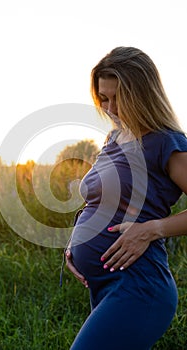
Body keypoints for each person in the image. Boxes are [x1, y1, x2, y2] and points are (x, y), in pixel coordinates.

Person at [65, 46, 187, 350]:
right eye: (103, 98)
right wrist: (76, 239)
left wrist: (151, 230)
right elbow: (100, 201)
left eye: (118, 98)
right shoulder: (115, 138)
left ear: (142, 94)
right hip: (106, 285)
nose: (110, 108)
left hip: (140, 286)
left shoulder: (166, 142)